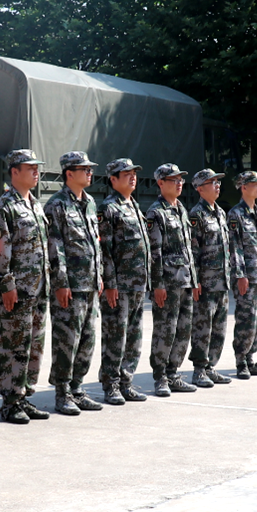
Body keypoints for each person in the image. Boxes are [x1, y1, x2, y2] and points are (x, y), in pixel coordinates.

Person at [44, 151, 104, 415]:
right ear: (69, 173)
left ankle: (77, 388)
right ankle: (63, 393)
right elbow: (54, 246)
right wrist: (60, 282)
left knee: (87, 341)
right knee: (66, 341)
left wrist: (99, 275)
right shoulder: (56, 205)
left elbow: (95, 243)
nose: (90, 173)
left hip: (89, 284)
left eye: (90, 169)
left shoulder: (90, 202)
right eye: (84, 169)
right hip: (70, 286)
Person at [0, 149, 51, 423]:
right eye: (30, 168)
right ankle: (10, 401)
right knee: (14, 345)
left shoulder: (35, 204)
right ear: (14, 172)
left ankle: (25, 395)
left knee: (34, 346)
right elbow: (2, 250)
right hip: (18, 291)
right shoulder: (5, 206)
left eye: (37, 167)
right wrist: (6, 284)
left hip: (39, 289)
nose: (36, 172)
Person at [98, 158, 151, 405]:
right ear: (113, 179)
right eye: (126, 174)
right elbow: (105, 251)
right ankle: (111, 385)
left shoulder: (134, 206)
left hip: (137, 284)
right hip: (119, 286)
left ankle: (126, 382)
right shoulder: (109, 209)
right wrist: (110, 284)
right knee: (115, 337)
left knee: (133, 338)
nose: (132, 177)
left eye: (134, 173)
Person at [147, 163, 199, 397]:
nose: (179, 183)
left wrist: (194, 280)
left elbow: (188, 249)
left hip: (185, 280)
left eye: (181, 180)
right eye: (173, 180)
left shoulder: (181, 209)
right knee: (165, 331)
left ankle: (173, 373)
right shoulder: (156, 212)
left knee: (183, 330)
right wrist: (157, 284)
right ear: (161, 183)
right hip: (168, 283)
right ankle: (160, 377)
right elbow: (154, 253)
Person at [188, 168, 232, 387]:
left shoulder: (220, 212)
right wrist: (195, 280)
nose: (217, 186)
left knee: (219, 328)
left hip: (221, 281)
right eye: (212, 182)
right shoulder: (196, 215)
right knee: (202, 328)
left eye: (218, 182)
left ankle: (210, 367)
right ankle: (199, 370)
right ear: (199, 188)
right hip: (205, 282)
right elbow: (193, 250)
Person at [228, 171, 257, 380]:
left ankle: (251, 358)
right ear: (243, 187)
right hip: (246, 277)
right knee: (245, 319)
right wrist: (240, 275)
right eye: (255, 184)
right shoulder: (236, 214)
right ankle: (241, 361)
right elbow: (234, 247)